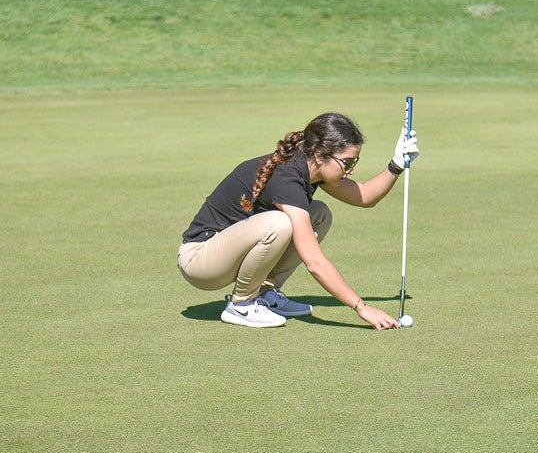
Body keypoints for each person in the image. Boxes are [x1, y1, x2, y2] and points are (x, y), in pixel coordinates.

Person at [177, 112, 419, 328]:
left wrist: (396, 165)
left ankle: (265, 292)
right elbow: (314, 262)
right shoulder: (287, 178)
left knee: (319, 214)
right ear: (319, 154)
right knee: (279, 224)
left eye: (354, 162)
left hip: (226, 255)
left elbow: (365, 196)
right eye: (346, 162)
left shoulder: (311, 167)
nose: (351, 169)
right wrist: (361, 307)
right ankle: (241, 304)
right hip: (201, 261)